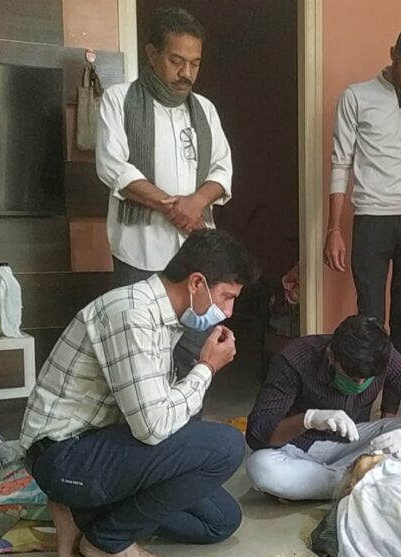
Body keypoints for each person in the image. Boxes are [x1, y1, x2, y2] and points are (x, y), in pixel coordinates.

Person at [20, 229, 260, 557]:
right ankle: (107, 540)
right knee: (226, 445)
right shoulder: (131, 314)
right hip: (63, 453)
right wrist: (206, 368)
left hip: (103, 441)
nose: (227, 312)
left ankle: (82, 511)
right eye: (226, 297)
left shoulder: (165, 320)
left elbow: (159, 409)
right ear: (197, 283)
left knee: (220, 520)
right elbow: (153, 427)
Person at [96, 6, 233, 385]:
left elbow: (222, 171)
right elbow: (114, 168)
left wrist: (196, 204)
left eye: (195, 63)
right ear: (152, 54)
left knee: (195, 353)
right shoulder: (120, 99)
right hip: (138, 253)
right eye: (176, 61)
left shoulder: (205, 110)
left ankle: (190, 421)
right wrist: (174, 207)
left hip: (195, 254)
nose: (186, 72)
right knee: (138, 358)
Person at [325, 24, 401, 418]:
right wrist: (333, 229)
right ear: (393, 54)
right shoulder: (356, 97)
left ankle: (390, 411)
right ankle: (361, 410)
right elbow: (340, 163)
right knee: (370, 323)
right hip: (372, 221)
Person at [245, 315, 401, 501]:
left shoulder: (384, 357)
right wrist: (309, 419)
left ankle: (339, 481)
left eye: (367, 379)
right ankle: (358, 479)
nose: (359, 384)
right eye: (351, 377)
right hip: (299, 446)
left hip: (353, 440)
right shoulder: (295, 358)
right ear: (331, 356)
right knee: (260, 467)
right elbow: (257, 433)